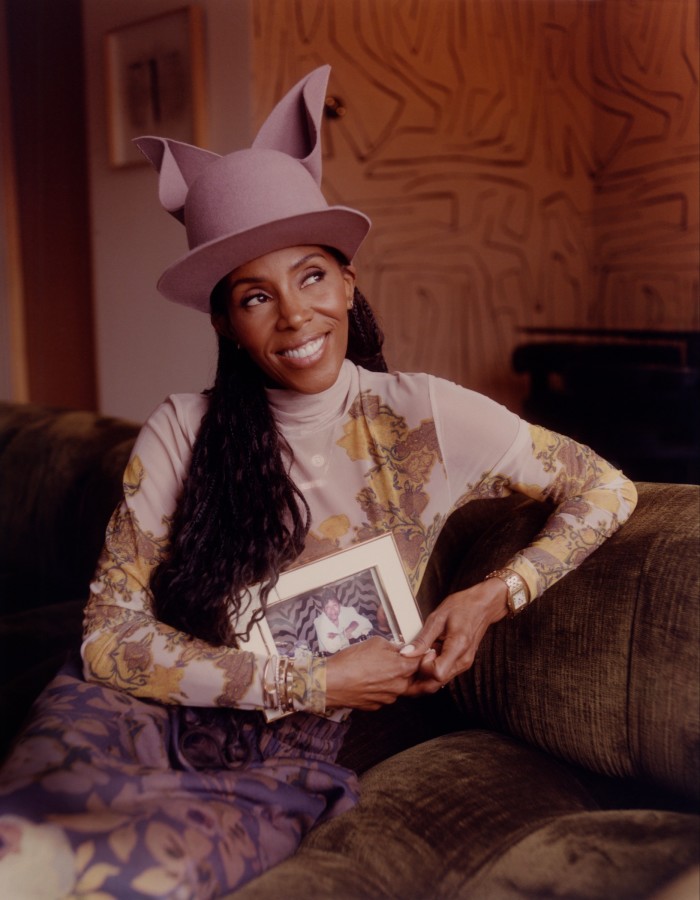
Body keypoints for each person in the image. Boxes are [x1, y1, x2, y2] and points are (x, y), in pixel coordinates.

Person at [0, 66, 637, 898]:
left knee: (127, 877)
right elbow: (107, 639)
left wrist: (491, 596)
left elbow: (606, 489)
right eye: (255, 296)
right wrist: (312, 680)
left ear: (348, 280)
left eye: (311, 276)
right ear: (228, 324)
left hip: (281, 758)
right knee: (20, 850)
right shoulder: (181, 429)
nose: (295, 315)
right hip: (129, 708)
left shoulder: (426, 417)